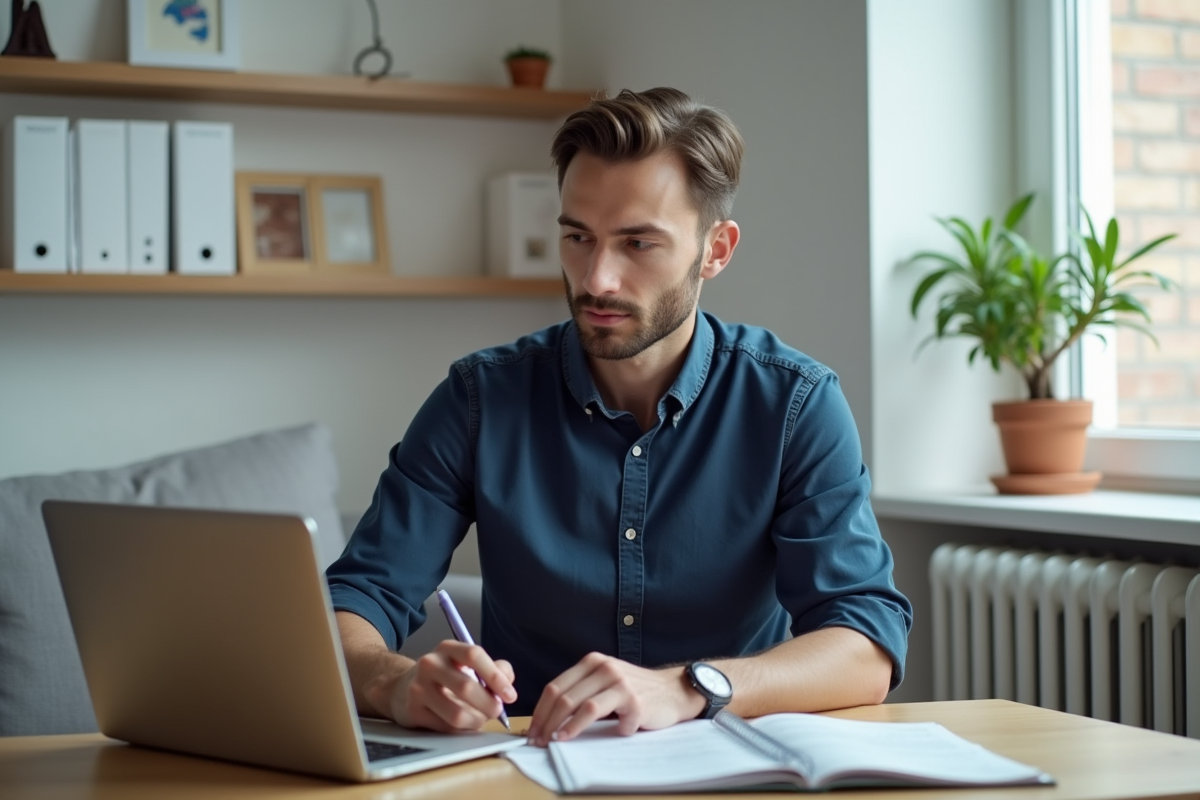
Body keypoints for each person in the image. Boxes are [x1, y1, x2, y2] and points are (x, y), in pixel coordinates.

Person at [326, 87, 912, 747]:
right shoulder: (480, 398)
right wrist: (393, 682)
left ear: (715, 250)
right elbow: (354, 601)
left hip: (733, 773)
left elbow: (865, 643)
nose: (596, 278)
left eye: (638, 243)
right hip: (530, 771)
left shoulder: (794, 404)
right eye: (578, 237)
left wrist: (686, 687)